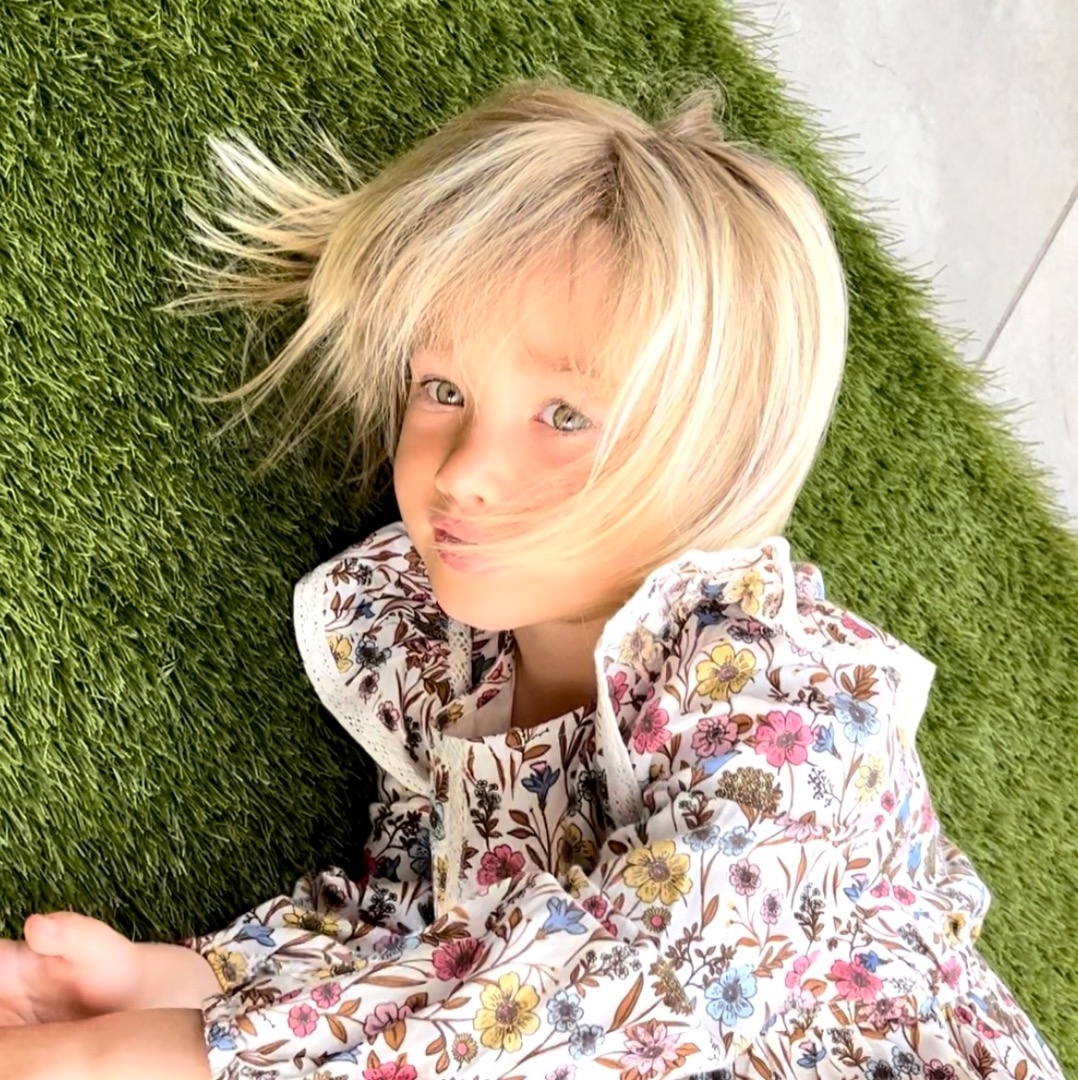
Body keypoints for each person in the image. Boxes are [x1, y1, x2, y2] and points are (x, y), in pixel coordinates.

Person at [0, 78, 1065, 1080]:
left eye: (564, 415)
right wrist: (177, 984)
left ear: (720, 453)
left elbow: (623, 994)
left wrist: (169, 1056)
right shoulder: (446, 663)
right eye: (441, 387)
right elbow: (417, 942)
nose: (463, 470)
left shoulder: (785, 703)